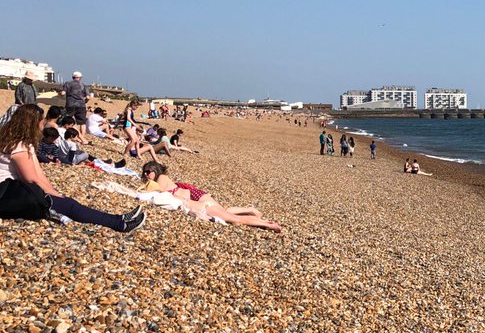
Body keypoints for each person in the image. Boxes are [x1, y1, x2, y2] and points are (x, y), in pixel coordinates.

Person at [0, 104, 145, 232]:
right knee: (68, 205)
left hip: (13, 190)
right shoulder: (18, 146)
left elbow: (39, 174)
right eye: (41, 120)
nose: (43, 123)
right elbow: (32, 179)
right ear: (32, 123)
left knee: (63, 200)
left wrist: (54, 192)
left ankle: (120, 219)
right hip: (6, 194)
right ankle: (120, 224)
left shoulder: (23, 143)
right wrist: (53, 195)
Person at [140, 161, 282, 232]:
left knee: (233, 219)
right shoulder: (160, 180)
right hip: (196, 198)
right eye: (144, 172)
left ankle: (265, 223)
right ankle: (256, 215)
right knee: (225, 213)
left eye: (148, 171)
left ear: (155, 170)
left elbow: (157, 193)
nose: (146, 175)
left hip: (197, 199)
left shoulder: (160, 179)